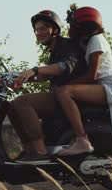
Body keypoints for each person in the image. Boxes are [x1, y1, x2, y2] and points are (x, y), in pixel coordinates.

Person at [6, 10, 87, 162]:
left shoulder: (66, 45)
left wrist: (35, 69)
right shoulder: (55, 49)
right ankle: (29, 149)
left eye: (43, 28)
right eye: (36, 30)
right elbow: (47, 75)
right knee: (10, 106)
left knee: (22, 102)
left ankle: (40, 151)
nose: (38, 33)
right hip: (58, 94)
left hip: (69, 97)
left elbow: (64, 67)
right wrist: (22, 78)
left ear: (54, 29)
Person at [54, 6, 112, 155]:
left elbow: (92, 76)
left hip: (110, 87)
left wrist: (66, 85)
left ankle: (82, 140)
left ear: (82, 29)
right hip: (101, 86)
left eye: (72, 26)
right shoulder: (88, 41)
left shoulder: (96, 41)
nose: (69, 29)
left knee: (64, 92)